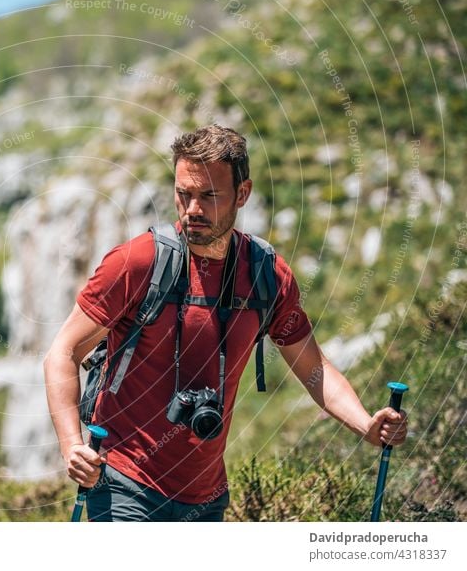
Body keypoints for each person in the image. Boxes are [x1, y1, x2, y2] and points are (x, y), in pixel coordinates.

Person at [43, 124, 408, 522]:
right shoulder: (138, 263)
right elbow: (62, 353)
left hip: (207, 498)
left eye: (209, 196)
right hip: (122, 486)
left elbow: (314, 370)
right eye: (183, 194)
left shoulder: (266, 274)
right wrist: (71, 447)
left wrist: (365, 426)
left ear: (243, 194)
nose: (192, 209)